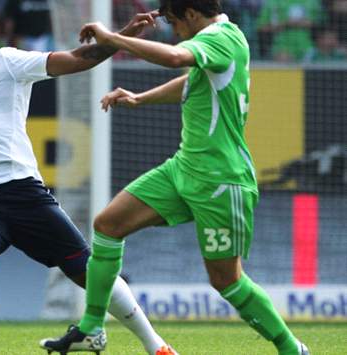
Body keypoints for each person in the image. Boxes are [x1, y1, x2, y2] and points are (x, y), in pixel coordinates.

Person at [0, 6, 175, 355]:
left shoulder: (7, 63)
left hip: (20, 189)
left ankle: (158, 346)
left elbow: (79, 58)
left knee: (89, 272)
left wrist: (124, 34)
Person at [42, 1, 310, 354]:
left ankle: (292, 348)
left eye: (173, 21)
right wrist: (139, 98)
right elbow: (191, 83)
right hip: (184, 169)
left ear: (192, 14)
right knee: (108, 225)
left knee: (227, 281)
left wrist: (113, 39)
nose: (173, 29)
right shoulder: (217, 43)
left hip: (220, 179)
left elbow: (173, 58)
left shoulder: (221, 37)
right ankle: (92, 328)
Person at [257, 0, 323, 62]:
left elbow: (323, 24)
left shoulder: (312, 2)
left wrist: (309, 24)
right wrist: (285, 24)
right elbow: (261, 27)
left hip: (309, 47)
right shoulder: (273, 3)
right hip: (282, 47)